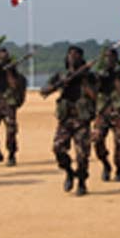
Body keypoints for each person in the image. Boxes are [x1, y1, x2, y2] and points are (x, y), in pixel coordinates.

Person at [41, 46, 96, 196]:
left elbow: (95, 96)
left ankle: (82, 183)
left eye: (77, 54)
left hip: (81, 119)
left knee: (82, 155)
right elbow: (43, 91)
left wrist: (84, 79)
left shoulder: (89, 76)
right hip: (65, 120)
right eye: (70, 54)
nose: (73, 57)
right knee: (58, 148)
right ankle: (70, 172)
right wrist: (59, 84)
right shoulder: (60, 75)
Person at [92, 48, 120, 182]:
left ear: (116, 59)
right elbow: (94, 91)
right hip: (102, 112)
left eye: (111, 57)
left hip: (118, 112)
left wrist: (116, 77)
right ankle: (106, 164)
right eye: (106, 57)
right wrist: (100, 78)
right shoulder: (101, 74)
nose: (109, 60)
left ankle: (119, 169)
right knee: (97, 140)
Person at [0, 48, 24, 167]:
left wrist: (9, 71)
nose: (1, 59)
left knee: (11, 131)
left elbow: (15, 85)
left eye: (4, 57)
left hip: (8, 104)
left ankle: (11, 154)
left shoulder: (13, 72)